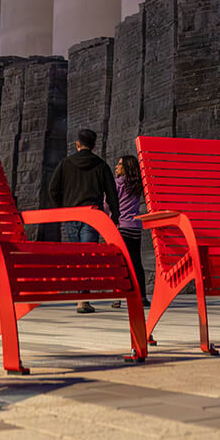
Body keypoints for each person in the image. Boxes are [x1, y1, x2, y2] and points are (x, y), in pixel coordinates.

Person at [48, 128, 118, 314]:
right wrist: (115, 216)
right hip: (92, 215)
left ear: (78, 144)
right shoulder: (101, 165)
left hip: (72, 215)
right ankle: (83, 299)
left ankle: (80, 298)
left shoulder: (66, 164)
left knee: (78, 257)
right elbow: (112, 194)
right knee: (88, 257)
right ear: (94, 145)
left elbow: (53, 189)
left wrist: (62, 208)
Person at [110, 154, 148, 309]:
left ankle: (118, 298)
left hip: (121, 226)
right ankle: (143, 296)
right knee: (136, 262)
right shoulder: (138, 184)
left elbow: (109, 203)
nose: (116, 167)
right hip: (135, 226)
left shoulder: (118, 183)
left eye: (120, 164)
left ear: (126, 167)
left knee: (120, 263)